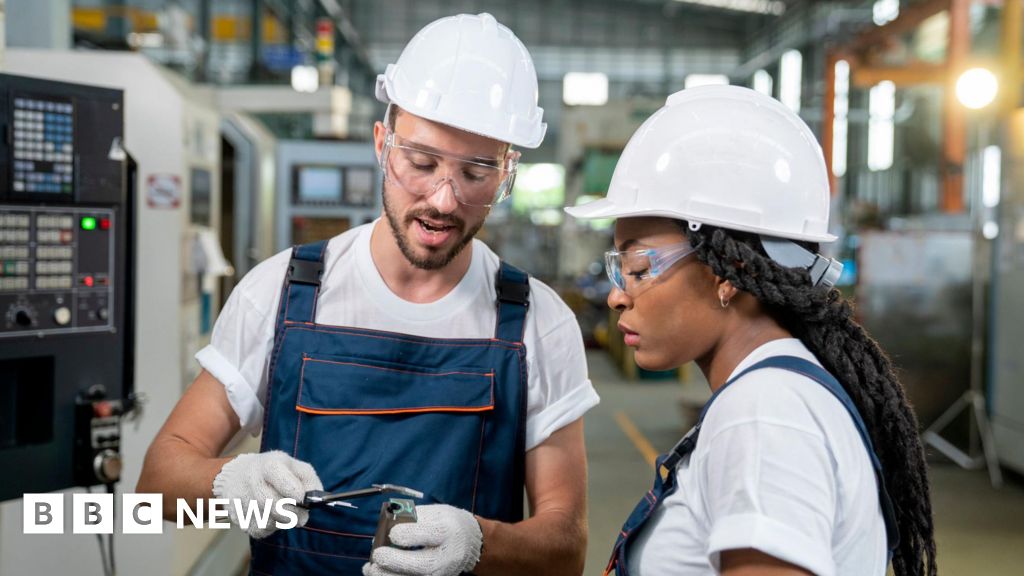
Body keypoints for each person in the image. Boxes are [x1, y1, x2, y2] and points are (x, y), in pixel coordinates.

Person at [137, 13, 598, 576]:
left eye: (476, 173)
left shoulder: (536, 323)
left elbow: (567, 546)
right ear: (383, 144)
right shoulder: (282, 293)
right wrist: (228, 480)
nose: (444, 200)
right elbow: (159, 481)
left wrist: (479, 541)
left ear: (507, 173)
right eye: (422, 163)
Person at [565, 85, 937, 576]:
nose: (617, 295)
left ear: (727, 272)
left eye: (638, 266)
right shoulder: (778, 394)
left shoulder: (765, 414)